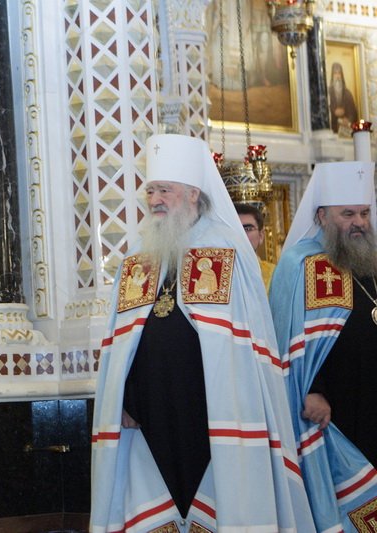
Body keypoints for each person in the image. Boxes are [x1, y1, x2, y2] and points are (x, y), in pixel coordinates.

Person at [90, 134, 313, 532]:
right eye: (151, 191)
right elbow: (122, 343)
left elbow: (246, 346)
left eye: (165, 190)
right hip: (149, 417)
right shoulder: (138, 257)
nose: (155, 200)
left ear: (193, 194)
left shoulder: (227, 251)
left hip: (212, 413)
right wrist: (121, 397)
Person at [270, 160, 377, 532]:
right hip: (333, 409)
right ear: (322, 216)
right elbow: (287, 338)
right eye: (348, 214)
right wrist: (312, 390)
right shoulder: (300, 264)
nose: (359, 222)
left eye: (364, 213)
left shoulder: (372, 262)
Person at [235, 202, 276, 291]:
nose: (242, 235)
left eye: (248, 229)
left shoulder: (276, 274)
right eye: (235, 229)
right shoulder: (218, 274)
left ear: (261, 236)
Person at [329, 62, 359, 134]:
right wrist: (334, 111)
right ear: (332, 75)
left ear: (342, 75)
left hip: (345, 130)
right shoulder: (328, 92)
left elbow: (353, 113)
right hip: (332, 130)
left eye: (339, 73)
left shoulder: (347, 93)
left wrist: (348, 119)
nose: (337, 76)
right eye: (335, 73)